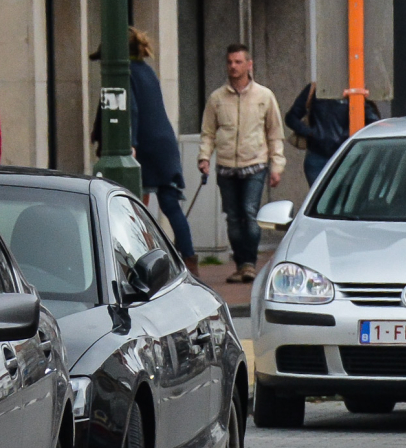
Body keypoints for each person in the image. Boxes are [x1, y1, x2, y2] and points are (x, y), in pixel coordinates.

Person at [199, 42, 286, 286]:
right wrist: (204, 158)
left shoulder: (264, 96)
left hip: (255, 164)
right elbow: (208, 132)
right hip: (226, 166)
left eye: (238, 62)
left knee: (250, 212)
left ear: (249, 65)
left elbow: (274, 133)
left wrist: (276, 166)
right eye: (230, 62)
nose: (233, 67)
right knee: (233, 217)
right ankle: (240, 265)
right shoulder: (217, 98)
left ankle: (249, 263)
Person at [127, 30, 193, 269]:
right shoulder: (147, 71)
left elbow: (131, 109)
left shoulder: (126, 72)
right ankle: (189, 259)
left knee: (133, 204)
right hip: (165, 144)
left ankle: (141, 253)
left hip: (145, 146)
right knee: (170, 205)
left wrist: (132, 143)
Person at [285, 79, 353, 187]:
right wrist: (311, 133)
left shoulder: (354, 91)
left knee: (342, 200)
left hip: (345, 155)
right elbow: (291, 117)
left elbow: (371, 120)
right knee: (321, 200)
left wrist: (346, 136)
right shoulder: (315, 90)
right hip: (317, 156)